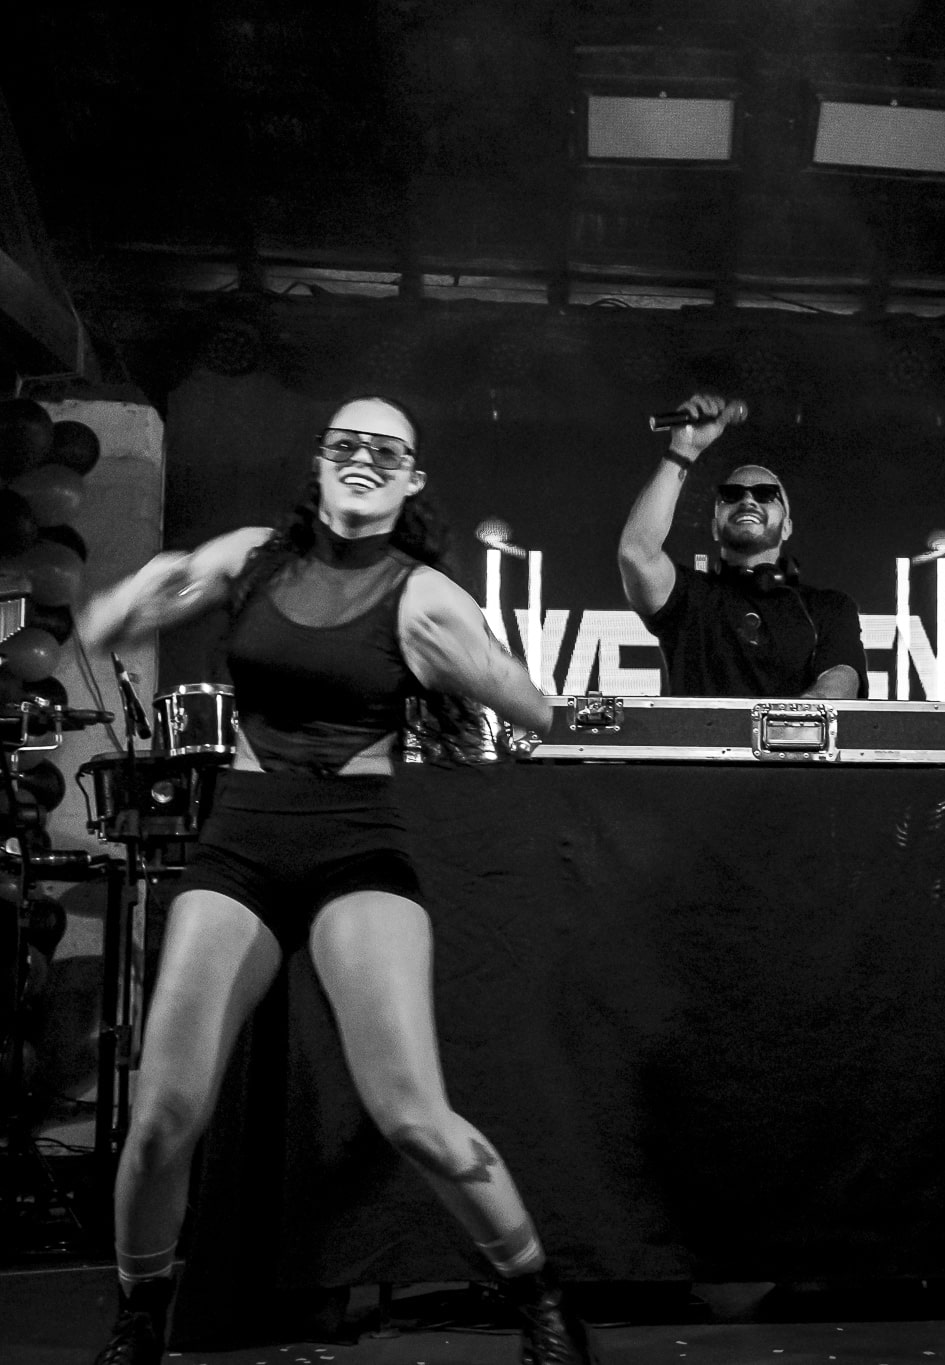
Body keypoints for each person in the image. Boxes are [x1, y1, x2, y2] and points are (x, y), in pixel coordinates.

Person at [77, 396, 590, 1365]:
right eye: (345, 445)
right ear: (318, 462)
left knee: (413, 1116)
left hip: (355, 845)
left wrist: (471, 672)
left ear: (412, 478)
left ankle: (543, 1302)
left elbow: (534, 707)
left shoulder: (424, 594)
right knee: (161, 1120)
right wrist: (128, 595)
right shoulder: (249, 558)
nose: (363, 459)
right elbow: (103, 629)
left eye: (385, 451)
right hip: (241, 839)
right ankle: (140, 1317)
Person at [617, 392, 866, 698]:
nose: (748, 500)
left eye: (765, 494)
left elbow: (841, 678)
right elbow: (636, 552)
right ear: (714, 527)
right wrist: (683, 450)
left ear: (787, 526)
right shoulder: (688, 598)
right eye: (731, 495)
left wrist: (791, 720)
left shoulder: (828, 608)